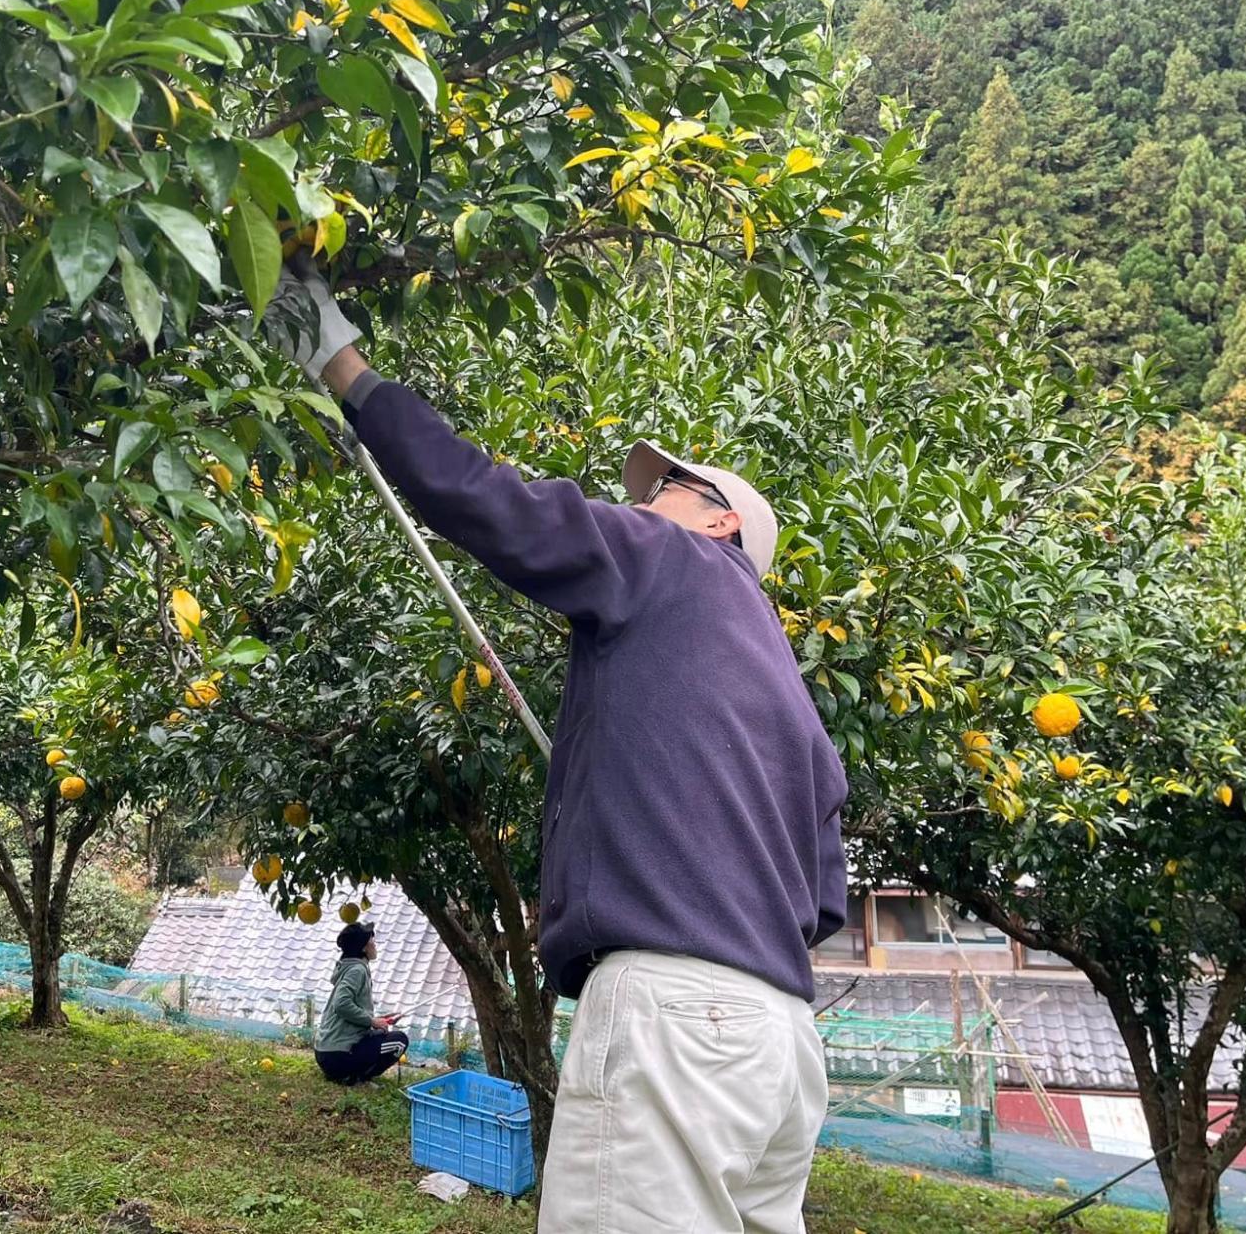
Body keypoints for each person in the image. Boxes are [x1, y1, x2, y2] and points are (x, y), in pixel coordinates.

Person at [270, 264, 848, 1234]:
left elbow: (497, 505)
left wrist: (345, 369)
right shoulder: (792, 702)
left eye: (667, 485)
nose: (646, 498)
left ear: (720, 522)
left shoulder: (673, 559)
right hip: (779, 1052)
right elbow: (821, 905)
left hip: (674, 1024)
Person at [314, 921, 410, 1085]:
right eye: (372, 940)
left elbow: (347, 1008)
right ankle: (356, 1078)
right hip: (338, 1056)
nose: (375, 944)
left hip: (326, 1053)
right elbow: (341, 1004)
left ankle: (349, 1073)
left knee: (382, 1034)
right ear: (364, 947)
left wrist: (380, 1019)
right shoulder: (357, 970)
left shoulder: (350, 967)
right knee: (399, 1041)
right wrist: (372, 1021)